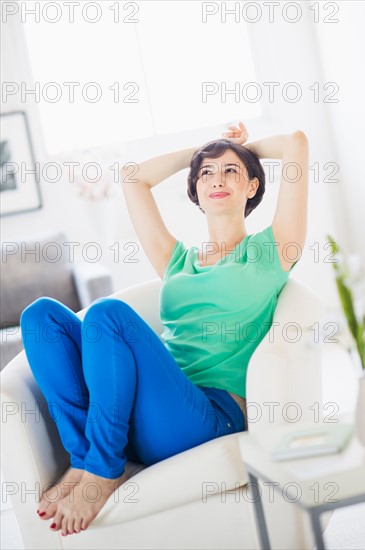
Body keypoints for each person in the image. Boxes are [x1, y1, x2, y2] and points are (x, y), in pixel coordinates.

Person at [20, 121, 308, 537]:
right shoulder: (177, 261)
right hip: (140, 416)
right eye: (205, 173)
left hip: (207, 417)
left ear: (252, 187)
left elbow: (297, 143)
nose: (217, 179)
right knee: (40, 316)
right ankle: (85, 459)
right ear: (195, 191)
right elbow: (133, 178)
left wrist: (235, 147)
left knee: (106, 314)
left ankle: (101, 473)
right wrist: (205, 150)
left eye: (231, 171)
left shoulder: (273, 250)